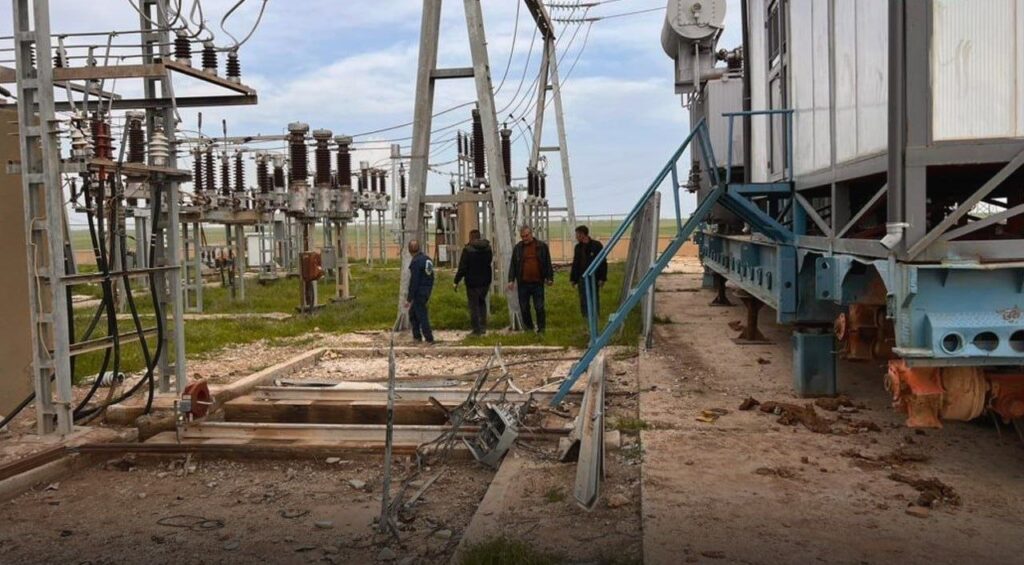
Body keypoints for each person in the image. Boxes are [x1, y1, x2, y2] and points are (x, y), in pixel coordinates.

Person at [507, 225, 554, 333]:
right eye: (522, 236)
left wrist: (549, 277)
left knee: (539, 307)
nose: (525, 238)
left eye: (526, 236)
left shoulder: (541, 246)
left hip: (537, 283)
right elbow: (513, 265)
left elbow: (547, 263)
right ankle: (529, 328)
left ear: (531, 234)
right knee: (524, 307)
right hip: (523, 283)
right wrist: (511, 280)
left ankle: (541, 329)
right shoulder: (518, 248)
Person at [453, 229, 493, 336]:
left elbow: (463, 268)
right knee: (482, 303)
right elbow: (489, 262)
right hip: (485, 282)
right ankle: (483, 327)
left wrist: (456, 281)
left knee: (473, 306)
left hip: (472, 282)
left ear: (470, 237)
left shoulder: (468, 250)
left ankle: (476, 330)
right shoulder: (488, 248)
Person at [570, 225, 608, 320]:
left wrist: (602, 278)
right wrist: (573, 279)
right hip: (582, 277)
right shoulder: (578, 247)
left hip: (594, 276)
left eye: (577, 234)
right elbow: (575, 263)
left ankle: (595, 316)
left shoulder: (596, 245)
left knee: (594, 296)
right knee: (583, 297)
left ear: (582, 234)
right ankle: (586, 316)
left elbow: (602, 262)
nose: (576, 236)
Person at [405, 240, 435, 344]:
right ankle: (417, 336)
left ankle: (429, 338)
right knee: (413, 313)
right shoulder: (427, 259)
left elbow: (414, 281)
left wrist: (409, 299)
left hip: (419, 292)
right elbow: (431, 276)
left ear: (409, 250)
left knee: (422, 315)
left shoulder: (416, 262)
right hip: (426, 290)